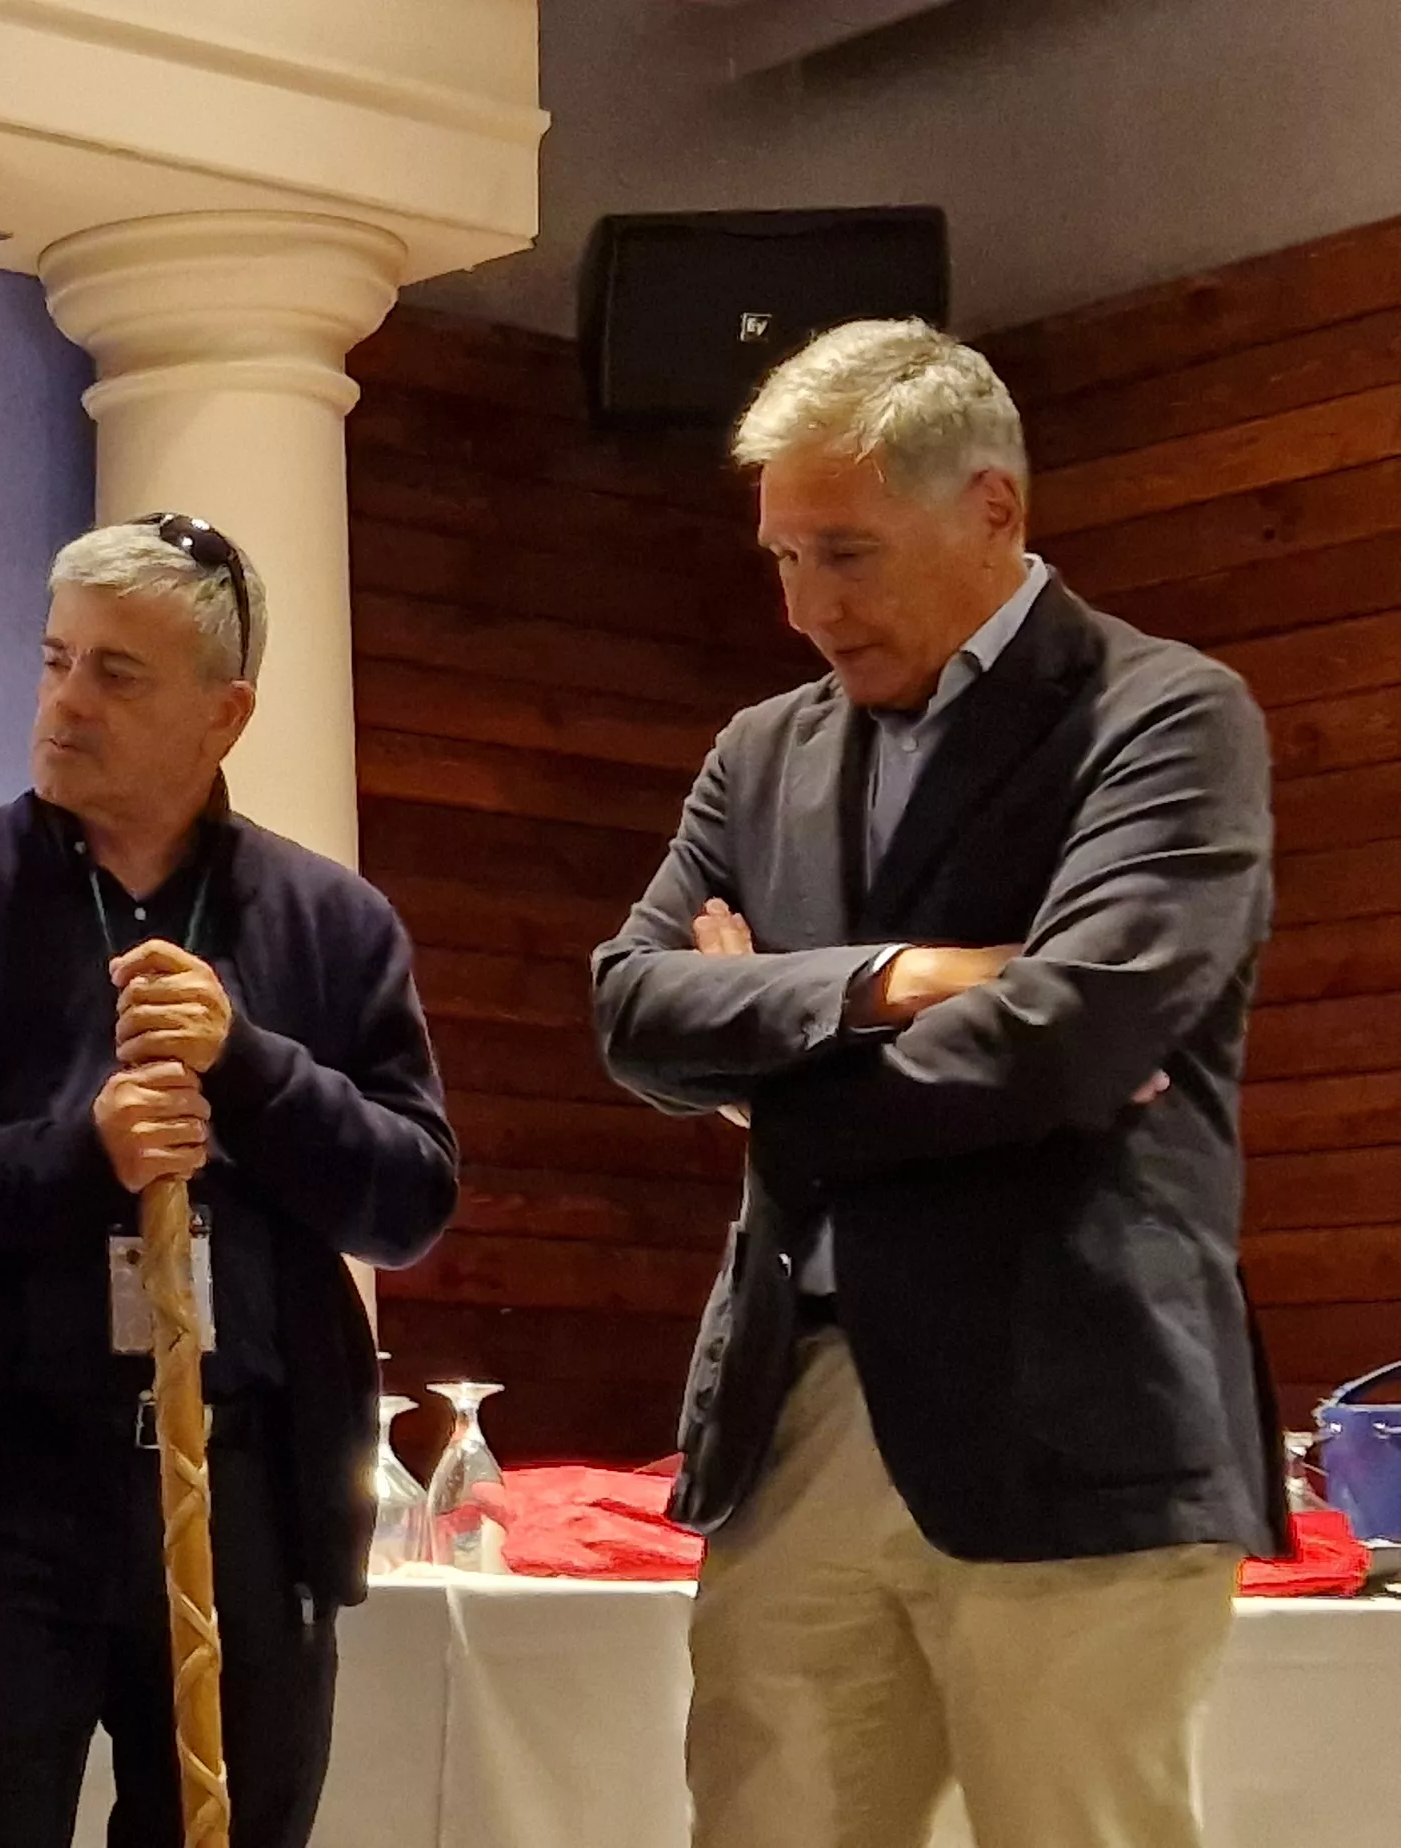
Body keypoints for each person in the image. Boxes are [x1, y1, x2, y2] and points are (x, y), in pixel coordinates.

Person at [591, 318, 1284, 1848]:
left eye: (847, 554)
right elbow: (633, 1006)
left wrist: (762, 1073)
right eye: (782, 559)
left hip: (1071, 1405)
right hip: (806, 1401)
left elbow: (1068, 1036)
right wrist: (895, 979)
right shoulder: (760, 752)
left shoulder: (1163, 717)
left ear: (994, 508)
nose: (806, 609)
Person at [0, 515, 456, 1848]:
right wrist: (73, 1155)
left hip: (251, 1501)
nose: (65, 703)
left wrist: (253, 1069)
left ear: (227, 713)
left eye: (117, 674)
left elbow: (410, 1201)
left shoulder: (330, 923)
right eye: (56, 660)